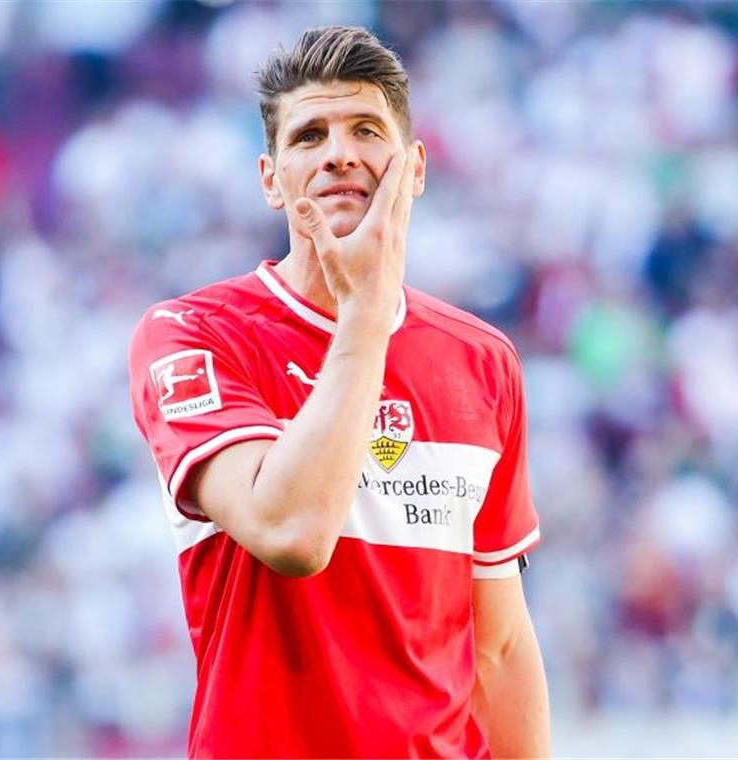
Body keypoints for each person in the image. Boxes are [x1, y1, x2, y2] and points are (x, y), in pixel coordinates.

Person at [128, 25, 549, 758]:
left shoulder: (481, 360)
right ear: (271, 179)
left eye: (366, 129)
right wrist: (363, 313)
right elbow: (291, 533)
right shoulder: (195, 335)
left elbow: (501, 647)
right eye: (309, 135)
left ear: (414, 167)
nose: (340, 153)